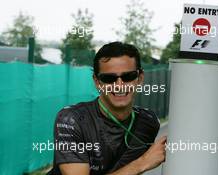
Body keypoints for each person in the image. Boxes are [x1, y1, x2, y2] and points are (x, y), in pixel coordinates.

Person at [48, 42, 166, 175]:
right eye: (109, 78)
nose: (119, 85)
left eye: (128, 76)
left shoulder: (148, 122)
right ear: (97, 82)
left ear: (139, 78)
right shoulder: (72, 120)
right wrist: (142, 163)